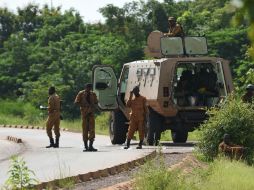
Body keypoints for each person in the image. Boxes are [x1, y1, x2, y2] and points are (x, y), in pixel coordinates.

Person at [75, 83, 98, 152]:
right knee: (85, 130)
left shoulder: (93, 94)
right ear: (85, 87)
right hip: (84, 114)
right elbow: (76, 102)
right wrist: (83, 105)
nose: (89, 89)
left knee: (92, 131)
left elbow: (96, 102)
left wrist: (92, 106)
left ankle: (91, 146)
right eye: (88, 87)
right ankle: (86, 146)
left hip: (91, 114)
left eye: (90, 88)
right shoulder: (81, 93)